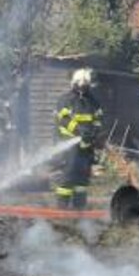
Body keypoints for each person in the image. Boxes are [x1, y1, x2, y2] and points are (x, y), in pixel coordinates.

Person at [54, 68, 103, 209]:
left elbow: (98, 119)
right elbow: (63, 119)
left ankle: (79, 209)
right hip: (69, 144)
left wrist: (93, 132)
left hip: (86, 144)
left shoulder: (93, 101)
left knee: (82, 178)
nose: (83, 88)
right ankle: (62, 208)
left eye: (85, 85)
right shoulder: (65, 100)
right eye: (81, 85)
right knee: (69, 174)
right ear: (74, 84)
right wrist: (79, 131)